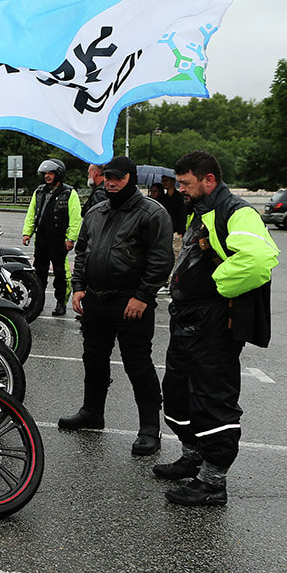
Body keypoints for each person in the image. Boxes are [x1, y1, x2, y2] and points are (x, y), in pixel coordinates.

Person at [156, 151, 278, 506]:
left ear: (208, 180)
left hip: (214, 323)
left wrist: (215, 285)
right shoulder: (201, 209)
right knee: (178, 393)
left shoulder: (236, 211)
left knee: (212, 398)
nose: (180, 190)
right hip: (188, 321)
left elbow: (258, 260)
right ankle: (192, 457)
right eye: (178, 183)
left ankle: (213, 482)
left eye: (186, 183)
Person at [60, 156, 173, 456]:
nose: (111, 182)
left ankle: (150, 428)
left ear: (130, 179)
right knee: (93, 359)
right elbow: (82, 251)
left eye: (118, 178)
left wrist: (143, 296)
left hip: (131, 301)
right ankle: (92, 413)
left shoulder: (152, 213)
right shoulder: (96, 211)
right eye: (107, 176)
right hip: (96, 298)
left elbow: (161, 260)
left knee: (138, 365)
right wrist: (78, 287)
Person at [22, 158, 81, 316]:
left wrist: (71, 238)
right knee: (39, 273)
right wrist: (27, 232)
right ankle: (37, 303)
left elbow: (75, 218)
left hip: (59, 240)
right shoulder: (39, 191)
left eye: (51, 173)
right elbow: (31, 213)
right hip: (41, 238)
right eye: (45, 173)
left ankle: (61, 303)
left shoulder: (69, 193)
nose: (47, 176)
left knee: (61, 274)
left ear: (58, 174)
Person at [159, 174, 187, 259]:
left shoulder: (180, 197)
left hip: (176, 231)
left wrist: (180, 231)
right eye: (162, 181)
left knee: (176, 255)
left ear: (173, 182)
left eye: (166, 180)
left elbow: (182, 214)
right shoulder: (163, 198)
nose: (164, 183)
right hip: (166, 231)